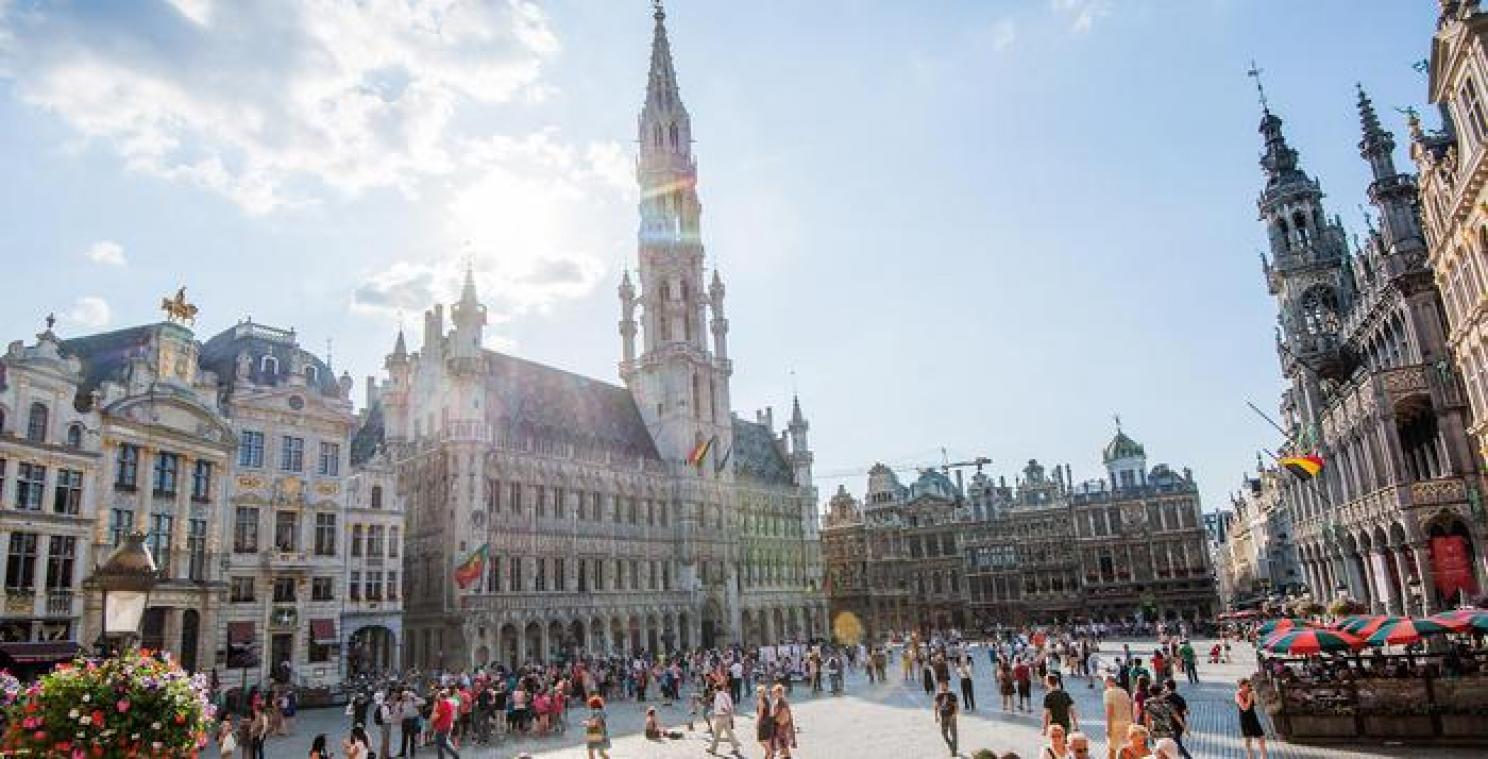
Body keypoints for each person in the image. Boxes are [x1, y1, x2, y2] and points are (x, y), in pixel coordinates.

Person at [708, 679, 742, 756]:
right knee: (730, 733)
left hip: (721, 717)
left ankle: (713, 749)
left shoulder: (718, 696)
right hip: (726, 717)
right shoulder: (726, 695)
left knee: (717, 734)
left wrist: (724, 712)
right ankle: (736, 749)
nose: (714, 690)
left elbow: (723, 707)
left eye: (714, 689)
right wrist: (730, 714)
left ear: (716, 689)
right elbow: (730, 705)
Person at [1236, 679, 1269, 759]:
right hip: (1245, 719)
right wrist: (1250, 698)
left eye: (1250, 685)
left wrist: (1255, 695)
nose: (1249, 687)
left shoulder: (1250, 693)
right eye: (1248, 685)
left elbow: (1257, 703)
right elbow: (1244, 708)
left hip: (1253, 717)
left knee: (1261, 737)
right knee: (1248, 739)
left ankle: (1264, 756)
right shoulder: (1238, 695)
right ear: (1242, 686)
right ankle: (1250, 756)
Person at [1102, 674, 1132, 759]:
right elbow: (1129, 707)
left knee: (1112, 749)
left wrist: (1108, 727)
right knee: (1125, 748)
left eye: (1104, 682)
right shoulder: (1124, 692)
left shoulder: (1108, 692)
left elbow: (1109, 711)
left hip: (1115, 724)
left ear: (1108, 682)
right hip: (1127, 722)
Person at [431, 688, 461, 759]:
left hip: (441, 727)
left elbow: (433, 718)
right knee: (440, 744)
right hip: (446, 726)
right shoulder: (448, 704)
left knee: (444, 744)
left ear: (440, 697)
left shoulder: (442, 705)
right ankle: (442, 757)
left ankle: (456, 755)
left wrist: (434, 707)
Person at [933, 679, 960, 757]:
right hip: (943, 716)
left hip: (951, 716)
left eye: (943, 685)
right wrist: (936, 716)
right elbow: (936, 706)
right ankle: (952, 746)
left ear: (947, 686)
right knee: (944, 733)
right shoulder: (938, 695)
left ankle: (953, 752)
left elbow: (956, 706)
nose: (941, 686)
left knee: (953, 734)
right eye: (941, 685)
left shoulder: (952, 695)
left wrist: (954, 714)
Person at [770, 684, 797, 759]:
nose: (773, 694)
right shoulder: (780, 701)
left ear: (779, 693)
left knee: (783, 744)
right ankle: (784, 755)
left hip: (781, 726)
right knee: (782, 744)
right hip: (782, 725)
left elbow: (784, 715)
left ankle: (786, 756)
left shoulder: (781, 702)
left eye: (774, 692)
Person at [754, 685, 775, 759]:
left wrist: (757, 723)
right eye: (757, 691)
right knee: (767, 739)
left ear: (762, 692)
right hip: (768, 721)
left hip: (763, 722)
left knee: (762, 740)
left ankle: (771, 752)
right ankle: (768, 754)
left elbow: (760, 715)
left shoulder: (761, 701)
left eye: (759, 692)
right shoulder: (767, 699)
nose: (758, 693)